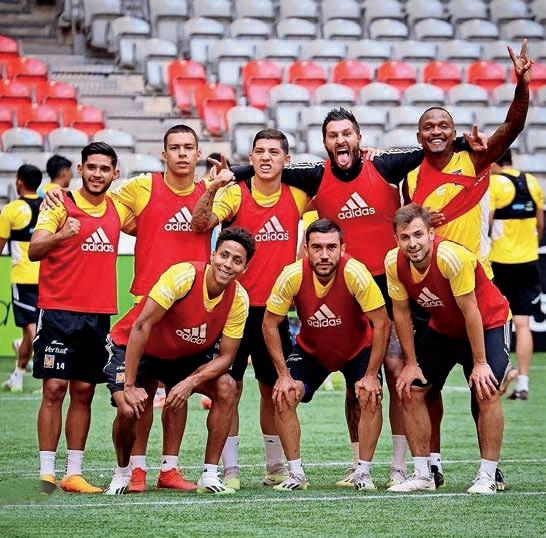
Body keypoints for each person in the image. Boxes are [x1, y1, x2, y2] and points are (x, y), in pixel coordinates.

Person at [229, 109, 485, 486]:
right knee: (356, 380)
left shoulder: (384, 165)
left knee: (398, 373)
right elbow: (269, 167)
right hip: (345, 287)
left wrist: (463, 142)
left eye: (347, 133)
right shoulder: (315, 174)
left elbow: (429, 148)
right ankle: (358, 465)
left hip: (389, 286)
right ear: (325, 142)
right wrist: (231, 173)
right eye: (333, 135)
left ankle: (401, 467)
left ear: (359, 138)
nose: (340, 140)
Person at [43, 124, 217, 493]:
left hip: (191, 309)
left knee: (178, 391)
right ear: (163, 154)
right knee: (142, 390)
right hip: (148, 306)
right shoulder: (141, 188)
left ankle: (169, 469)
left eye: (188, 147)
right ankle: (136, 469)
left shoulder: (211, 191)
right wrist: (57, 196)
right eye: (175, 147)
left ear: (198, 153)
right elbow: (99, 204)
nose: (182, 153)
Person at [403, 40, 532, 487]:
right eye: (428, 126)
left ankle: (489, 473)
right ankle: (431, 466)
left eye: (443, 125)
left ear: (453, 131)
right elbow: (407, 227)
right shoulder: (411, 178)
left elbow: (512, 127)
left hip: (478, 293)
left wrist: (522, 84)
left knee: (484, 388)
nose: (436, 131)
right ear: (419, 136)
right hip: (437, 304)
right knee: (423, 388)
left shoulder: (474, 157)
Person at [192, 129, 310, 489]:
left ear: (286, 160)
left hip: (274, 315)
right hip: (233, 310)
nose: (266, 157)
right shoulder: (235, 194)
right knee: (228, 389)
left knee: (273, 391)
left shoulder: (299, 194)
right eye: (259, 151)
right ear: (251, 157)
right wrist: (214, 188)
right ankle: (230, 470)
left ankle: (275, 468)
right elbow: (201, 224)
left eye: (274, 152)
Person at [103, 227, 253, 495]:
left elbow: (227, 356)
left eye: (237, 260)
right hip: (135, 345)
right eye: (224, 255)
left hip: (180, 354)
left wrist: (190, 382)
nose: (228, 264)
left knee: (228, 387)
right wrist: (129, 385)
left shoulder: (239, 298)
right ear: (212, 255)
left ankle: (206, 475)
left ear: (244, 268)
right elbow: (141, 326)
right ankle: (124, 473)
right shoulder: (184, 276)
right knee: (127, 407)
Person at [28, 142, 135, 494]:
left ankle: (73, 474)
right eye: (92, 167)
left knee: (84, 391)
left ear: (115, 173)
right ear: (80, 168)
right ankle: (46, 473)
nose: (97, 174)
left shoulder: (118, 208)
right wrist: (63, 234)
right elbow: (35, 249)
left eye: (105, 169)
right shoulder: (60, 204)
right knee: (54, 389)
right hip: (58, 311)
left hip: (98, 314)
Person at [385, 204, 511, 495]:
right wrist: (411, 363)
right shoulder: (393, 262)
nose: (413, 243)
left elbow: (471, 312)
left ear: (431, 233)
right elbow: (401, 313)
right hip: (444, 327)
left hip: (487, 323)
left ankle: (488, 475)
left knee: (486, 388)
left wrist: (480, 363)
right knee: (412, 387)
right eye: (405, 237)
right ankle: (424, 474)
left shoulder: (451, 258)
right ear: (396, 239)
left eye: (418, 234)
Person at [262, 219, 390, 491]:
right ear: (305, 249)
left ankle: (362, 472)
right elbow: (269, 323)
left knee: (369, 395)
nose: (324, 254)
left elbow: (382, 323)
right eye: (317, 247)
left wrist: (371, 375)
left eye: (331, 247)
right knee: (284, 394)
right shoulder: (292, 275)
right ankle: (296, 474)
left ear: (342, 249)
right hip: (313, 351)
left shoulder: (355, 272)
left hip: (357, 349)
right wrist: (283, 375)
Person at [489, 149, 544, 400]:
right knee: (523, 324)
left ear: (494, 161)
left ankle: (502, 374)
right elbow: (540, 224)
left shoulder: (495, 184)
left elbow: (486, 225)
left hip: (501, 263)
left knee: (496, 323)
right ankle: (523, 384)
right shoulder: (531, 181)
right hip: (529, 262)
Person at [0, 165, 42, 392]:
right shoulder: (48, 206)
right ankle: (17, 376)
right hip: (47, 277)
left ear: (19, 182)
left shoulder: (11, 209)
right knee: (29, 333)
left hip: (23, 278)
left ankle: (47, 375)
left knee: (31, 331)